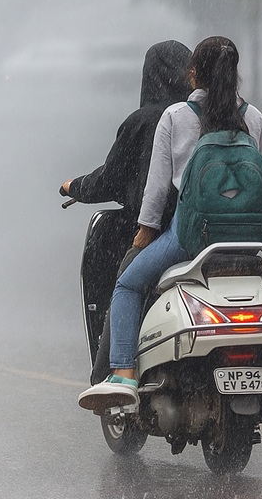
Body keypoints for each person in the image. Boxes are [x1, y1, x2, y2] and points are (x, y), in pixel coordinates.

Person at [78, 36, 262, 411]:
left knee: (128, 283)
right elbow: (260, 180)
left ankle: (123, 373)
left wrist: (144, 234)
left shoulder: (175, 117)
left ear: (194, 74)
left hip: (192, 235)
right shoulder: (255, 117)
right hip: (249, 240)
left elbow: (156, 189)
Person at [60, 40, 192, 351]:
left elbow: (111, 179)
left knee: (125, 286)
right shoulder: (207, 117)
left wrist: (75, 186)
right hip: (207, 228)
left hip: (157, 229)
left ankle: (113, 370)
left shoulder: (146, 120)